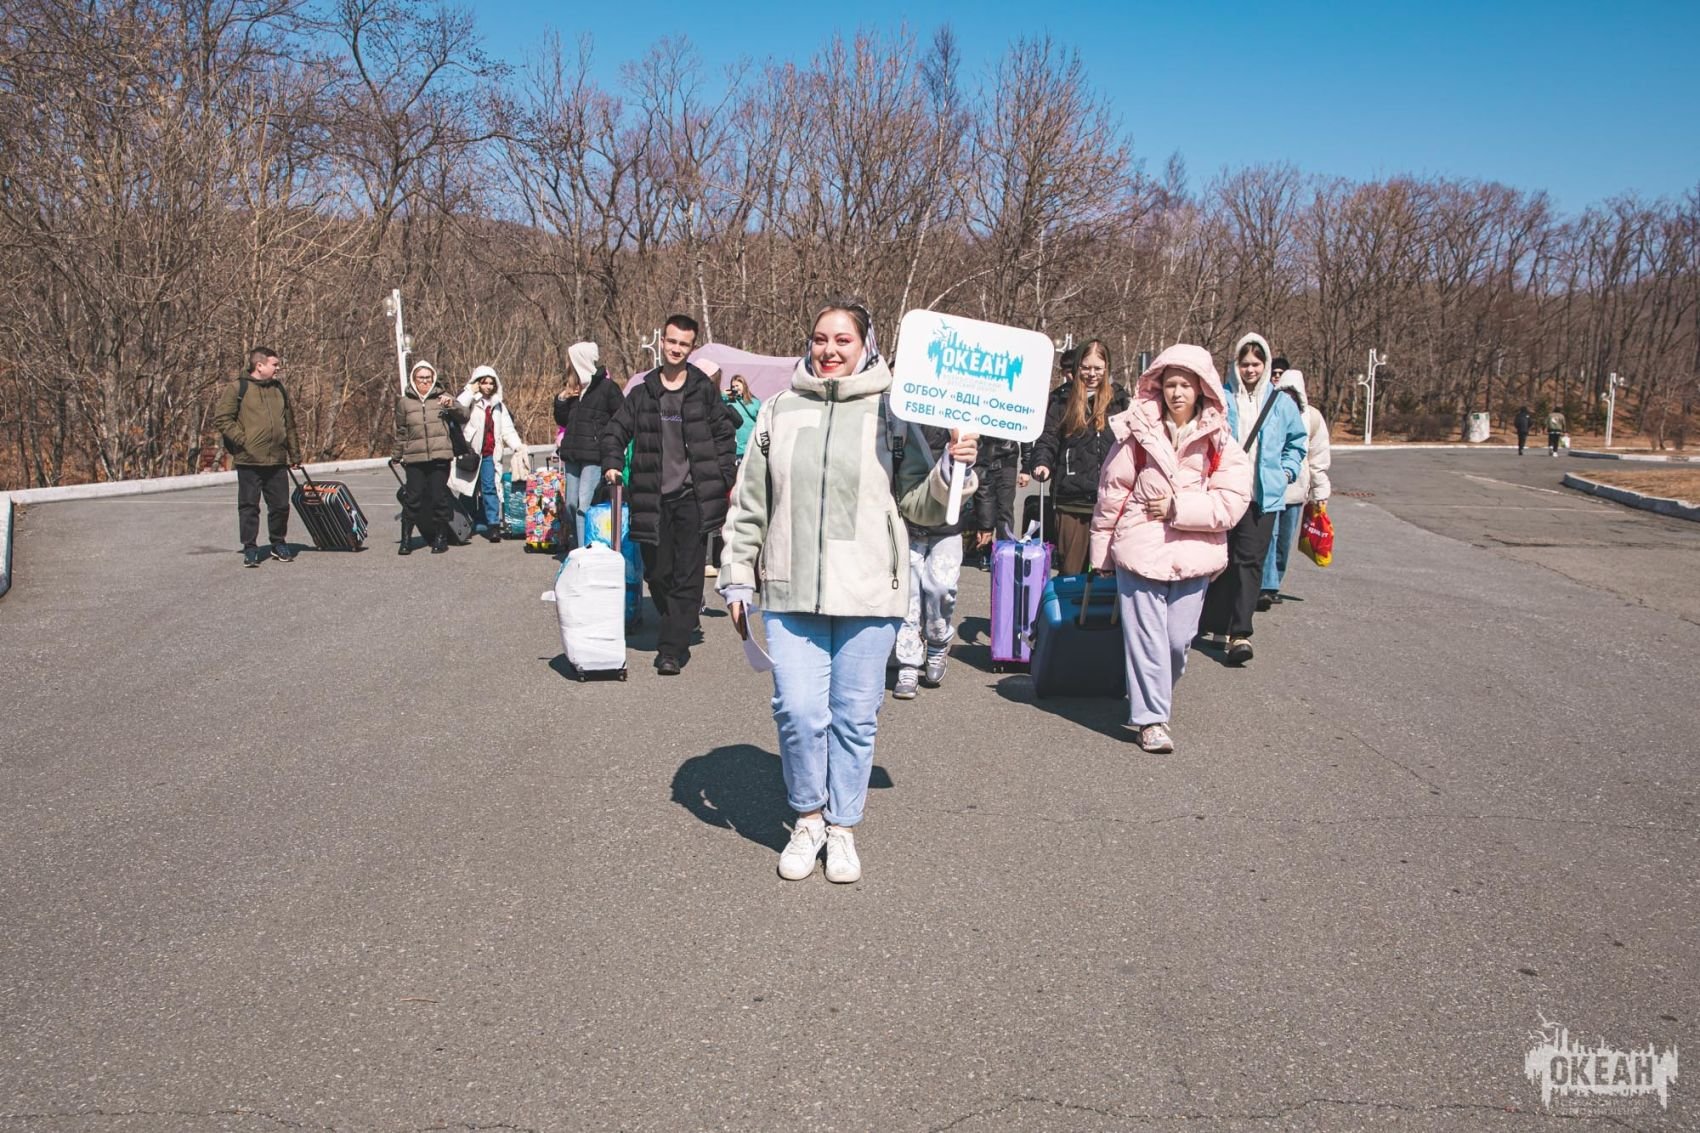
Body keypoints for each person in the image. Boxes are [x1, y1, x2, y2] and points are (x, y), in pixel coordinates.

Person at [719, 299, 977, 883]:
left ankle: (842, 827)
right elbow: (751, 501)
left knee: (855, 718)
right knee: (798, 712)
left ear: (866, 346)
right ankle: (808, 817)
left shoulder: (893, 413)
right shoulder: (779, 409)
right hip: (790, 589)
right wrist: (737, 573)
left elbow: (919, 503)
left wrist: (950, 470)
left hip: (869, 590)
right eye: (820, 339)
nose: (829, 350)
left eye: (843, 340)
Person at [1091, 345, 1251, 752]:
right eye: (1170, 385)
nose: (1177, 393)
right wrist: (1101, 553)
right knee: (1145, 638)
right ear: (1159, 388)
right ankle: (1151, 720)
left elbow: (1232, 502)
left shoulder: (1220, 441)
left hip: (1195, 552)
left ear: (1202, 389)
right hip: (1139, 548)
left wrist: (1178, 508)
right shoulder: (1137, 432)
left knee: (1178, 641)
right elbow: (1112, 492)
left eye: (1185, 385)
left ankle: (1152, 693)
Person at [600, 314, 738, 674]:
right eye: (672, 341)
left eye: (684, 344)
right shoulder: (643, 392)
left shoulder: (702, 391)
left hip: (693, 496)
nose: (676, 349)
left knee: (688, 573)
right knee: (658, 572)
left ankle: (671, 650)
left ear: (692, 348)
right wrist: (612, 463)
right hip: (652, 496)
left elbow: (725, 435)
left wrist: (722, 476)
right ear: (662, 342)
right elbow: (615, 431)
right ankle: (681, 616)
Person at [1198, 333, 1306, 665]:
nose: (1250, 370)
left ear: (1266, 364)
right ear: (1235, 365)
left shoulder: (1281, 403)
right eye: (1244, 363)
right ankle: (1215, 623)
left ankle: (1240, 633)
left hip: (1263, 496)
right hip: (1225, 492)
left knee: (1250, 562)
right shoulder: (1221, 399)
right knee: (1221, 561)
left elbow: (1297, 442)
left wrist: (1285, 473)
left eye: (1256, 364)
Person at [1024, 339, 1129, 575]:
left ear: (1107, 368)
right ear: (1077, 367)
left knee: (1107, 572)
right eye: (1086, 367)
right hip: (1071, 499)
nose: (1092, 374)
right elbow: (1047, 438)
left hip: (1111, 500)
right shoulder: (1062, 399)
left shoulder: (1120, 401)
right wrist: (1042, 462)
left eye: (1098, 368)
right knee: (1071, 571)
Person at [892, 424, 971, 701]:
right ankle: (908, 663)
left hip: (947, 524)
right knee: (908, 595)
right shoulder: (896, 412)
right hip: (906, 519)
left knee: (941, 587)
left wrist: (987, 518)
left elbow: (983, 469)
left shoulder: (964, 419)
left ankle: (937, 640)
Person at [213, 347, 304, 567]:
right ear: (259, 365)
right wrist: (243, 440)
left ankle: (278, 543)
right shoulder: (238, 388)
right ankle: (250, 548)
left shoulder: (279, 389)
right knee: (249, 507)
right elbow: (222, 418)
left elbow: (289, 424)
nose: (278, 368)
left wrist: (294, 453)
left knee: (280, 506)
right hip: (249, 460)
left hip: (277, 459)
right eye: (275, 364)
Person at [1259, 369, 1331, 607]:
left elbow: (1318, 459)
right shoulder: (1267, 411)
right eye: (1284, 393)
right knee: (1269, 538)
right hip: (1269, 489)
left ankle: (1274, 582)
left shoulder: (1312, 418)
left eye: (1293, 394)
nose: (1287, 398)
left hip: (1296, 491)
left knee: (1284, 541)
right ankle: (1266, 586)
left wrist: (1320, 493)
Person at [392, 360, 469, 555]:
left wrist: (452, 406)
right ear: (413, 379)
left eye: (428, 378)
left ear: (433, 378)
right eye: (421, 378)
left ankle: (440, 538)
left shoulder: (443, 397)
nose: (425, 382)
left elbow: (464, 415)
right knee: (413, 499)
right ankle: (406, 539)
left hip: (440, 456)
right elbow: (401, 431)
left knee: (439, 498)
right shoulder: (404, 402)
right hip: (414, 457)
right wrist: (397, 454)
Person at [555, 342, 623, 549]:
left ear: (580, 361)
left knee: (583, 505)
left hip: (594, 454)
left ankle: (583, 552)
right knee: (570, 504)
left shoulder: (607, 388)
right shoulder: (574, 389)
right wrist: (561, 400)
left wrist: (609, 444)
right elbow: (563, 421)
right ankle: (578, 544)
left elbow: (621, 417)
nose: (568, 365)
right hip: (573, 453)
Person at [450, 365, 526, 542]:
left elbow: (507, 429)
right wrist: (470, 390)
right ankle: (465, 523)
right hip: (470, 452)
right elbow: (457, 408)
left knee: (489, 488)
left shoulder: (498, 405)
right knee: (467, 489)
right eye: (484, 383)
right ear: (477, 383)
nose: (488, 387)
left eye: (492, 383)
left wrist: (517, 446)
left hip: (489, 454)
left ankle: (493, 525)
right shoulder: (471, 400)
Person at [725, 375, 762, 459]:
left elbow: (756, 415)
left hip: (752, 445)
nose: (735, 388)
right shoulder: (730, 402)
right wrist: (724, 395)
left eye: (737, 385)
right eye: (733, 387)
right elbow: (717, 400)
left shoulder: (755, 401)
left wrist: (741, 399)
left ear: (744, 385)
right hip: (738, 448)